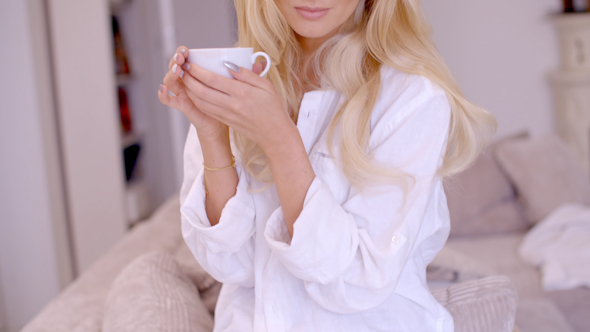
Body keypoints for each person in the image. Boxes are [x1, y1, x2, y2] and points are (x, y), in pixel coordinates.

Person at [158, 0, 496, 331]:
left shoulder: (413, 96)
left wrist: (279, 138)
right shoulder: (244, 82)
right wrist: (211, 132)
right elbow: (232, 265)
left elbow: (357, 281)